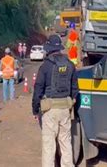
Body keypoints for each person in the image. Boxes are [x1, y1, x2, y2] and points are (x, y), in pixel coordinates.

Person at [32, 34, 79, 167]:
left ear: (49, 49)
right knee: (65, 143)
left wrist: (35, 110)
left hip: (49, 111)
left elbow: (38, 90)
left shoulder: (45, 66)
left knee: (49, 146)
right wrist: (72, 105)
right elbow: (75, 89)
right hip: (65, 110)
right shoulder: (70, 64)